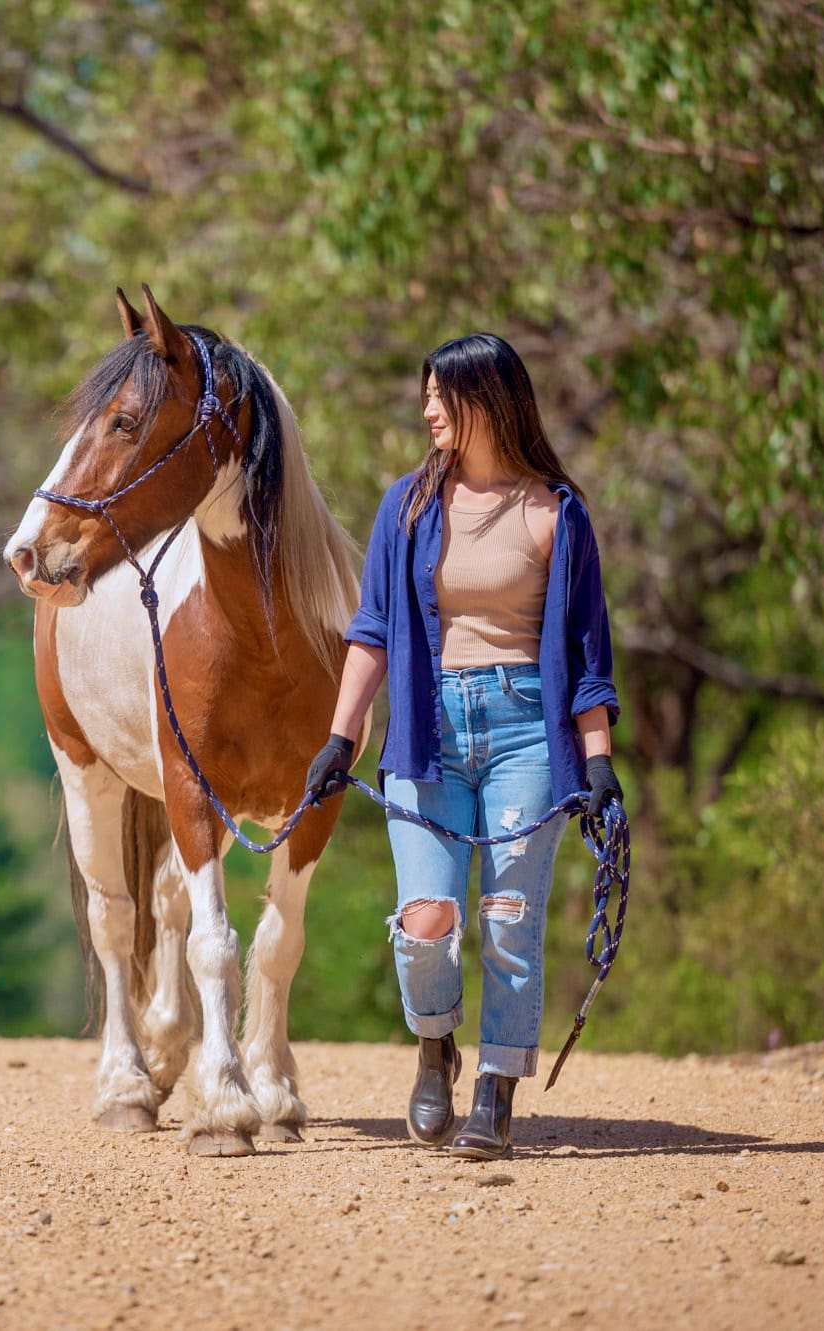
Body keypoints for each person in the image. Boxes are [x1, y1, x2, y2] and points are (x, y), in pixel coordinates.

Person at [304, 332, 622, 1159]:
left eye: (444, 394)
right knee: (427, 919)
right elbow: (371, 631)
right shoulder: (405, 506)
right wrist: (340, 739)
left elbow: (588, 658)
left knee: (510, 916)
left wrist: (597, 762)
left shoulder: (557, 512)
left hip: (526, 730)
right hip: (425, 728)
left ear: (490, 399)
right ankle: (435, 1044)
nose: (429, 409)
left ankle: (494, 1093)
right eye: (427, 394)